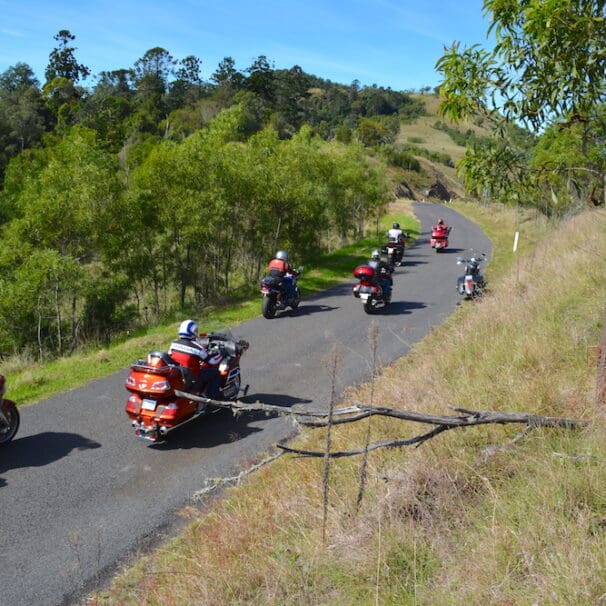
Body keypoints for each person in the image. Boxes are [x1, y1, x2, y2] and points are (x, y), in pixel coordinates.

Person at [168, 319, 222, 400]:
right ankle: (212, 399)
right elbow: (212, 361)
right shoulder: (197, 347)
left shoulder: (174, 343)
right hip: (193, 376)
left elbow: (170, 355)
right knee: (215, 373)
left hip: (179, 374)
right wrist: (221, 354)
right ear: (192, 332)